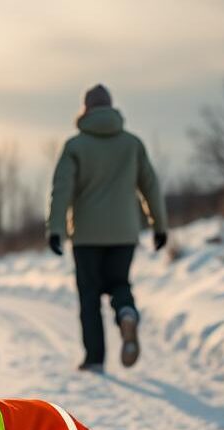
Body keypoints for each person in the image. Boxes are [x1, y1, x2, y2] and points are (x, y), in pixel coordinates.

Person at [46, 84, 168, 372]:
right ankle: (126, 312)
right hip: (125, 233)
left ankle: (95, 359)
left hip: (87, 236)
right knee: (119, 283)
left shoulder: (75, 146)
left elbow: (61, 190)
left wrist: (56, 229)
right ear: (112, 108)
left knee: (89, 296)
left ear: (85, 110)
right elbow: (150, 185)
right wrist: (159, 225)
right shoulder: (132, 144)